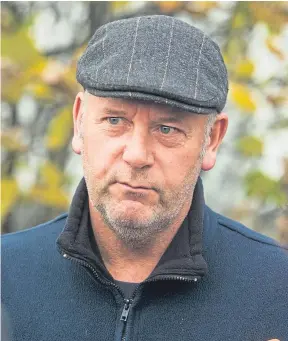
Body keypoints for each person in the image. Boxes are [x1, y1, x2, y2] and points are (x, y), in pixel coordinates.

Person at [1, 15, 287, 341]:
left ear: (212, 140)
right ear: (79, 122)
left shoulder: (276, 288)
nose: (136, 155)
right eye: (114, 120)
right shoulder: (6, 274)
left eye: (167, 129)